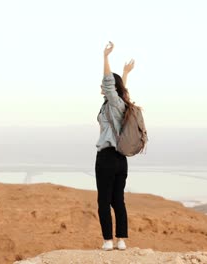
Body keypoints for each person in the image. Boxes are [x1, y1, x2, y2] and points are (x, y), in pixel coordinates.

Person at [95, 41, 136, 251]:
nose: (102, 86)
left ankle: (108, 241)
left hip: (107, 158)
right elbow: (120, 89)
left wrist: (105, 57)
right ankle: (121, 240)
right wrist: (125, 73)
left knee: (104, 200)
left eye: (104, 84)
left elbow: (110, 83)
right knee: (118, 200)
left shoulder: (112, 103)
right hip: (121, 160)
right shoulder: (122, 104)